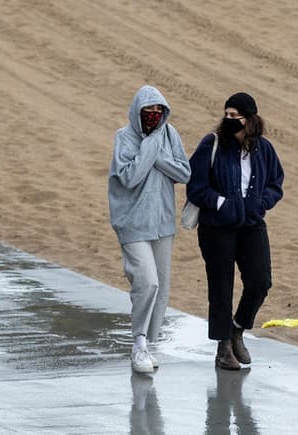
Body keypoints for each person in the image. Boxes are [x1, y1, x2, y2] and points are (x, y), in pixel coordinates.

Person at [186, 92, 284, 370]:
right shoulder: (212, 144)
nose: (229, 120)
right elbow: (196, 187)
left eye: (235, 116)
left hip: (251, 225)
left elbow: (276, 183)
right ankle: (223, 347)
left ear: (250, 119)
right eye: (226, 115)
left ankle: (238, 329)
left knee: (260, 281)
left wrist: (260, 203)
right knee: (221, 286)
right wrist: (221, 203)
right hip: (217, 227)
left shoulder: (264, 149)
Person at [108, 85, 191, 373]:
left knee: (162, 287)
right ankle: (138, 343)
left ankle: (149, 343)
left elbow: (184, 172)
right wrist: (150, 148)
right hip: (132, 223)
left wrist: (157, 153)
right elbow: (129, 177)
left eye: (158, 111)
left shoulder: (170, 134)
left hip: (163, 223)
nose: (154, 115)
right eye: (148, 111)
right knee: (147, 281)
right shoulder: (124, 137)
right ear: (138, 112)